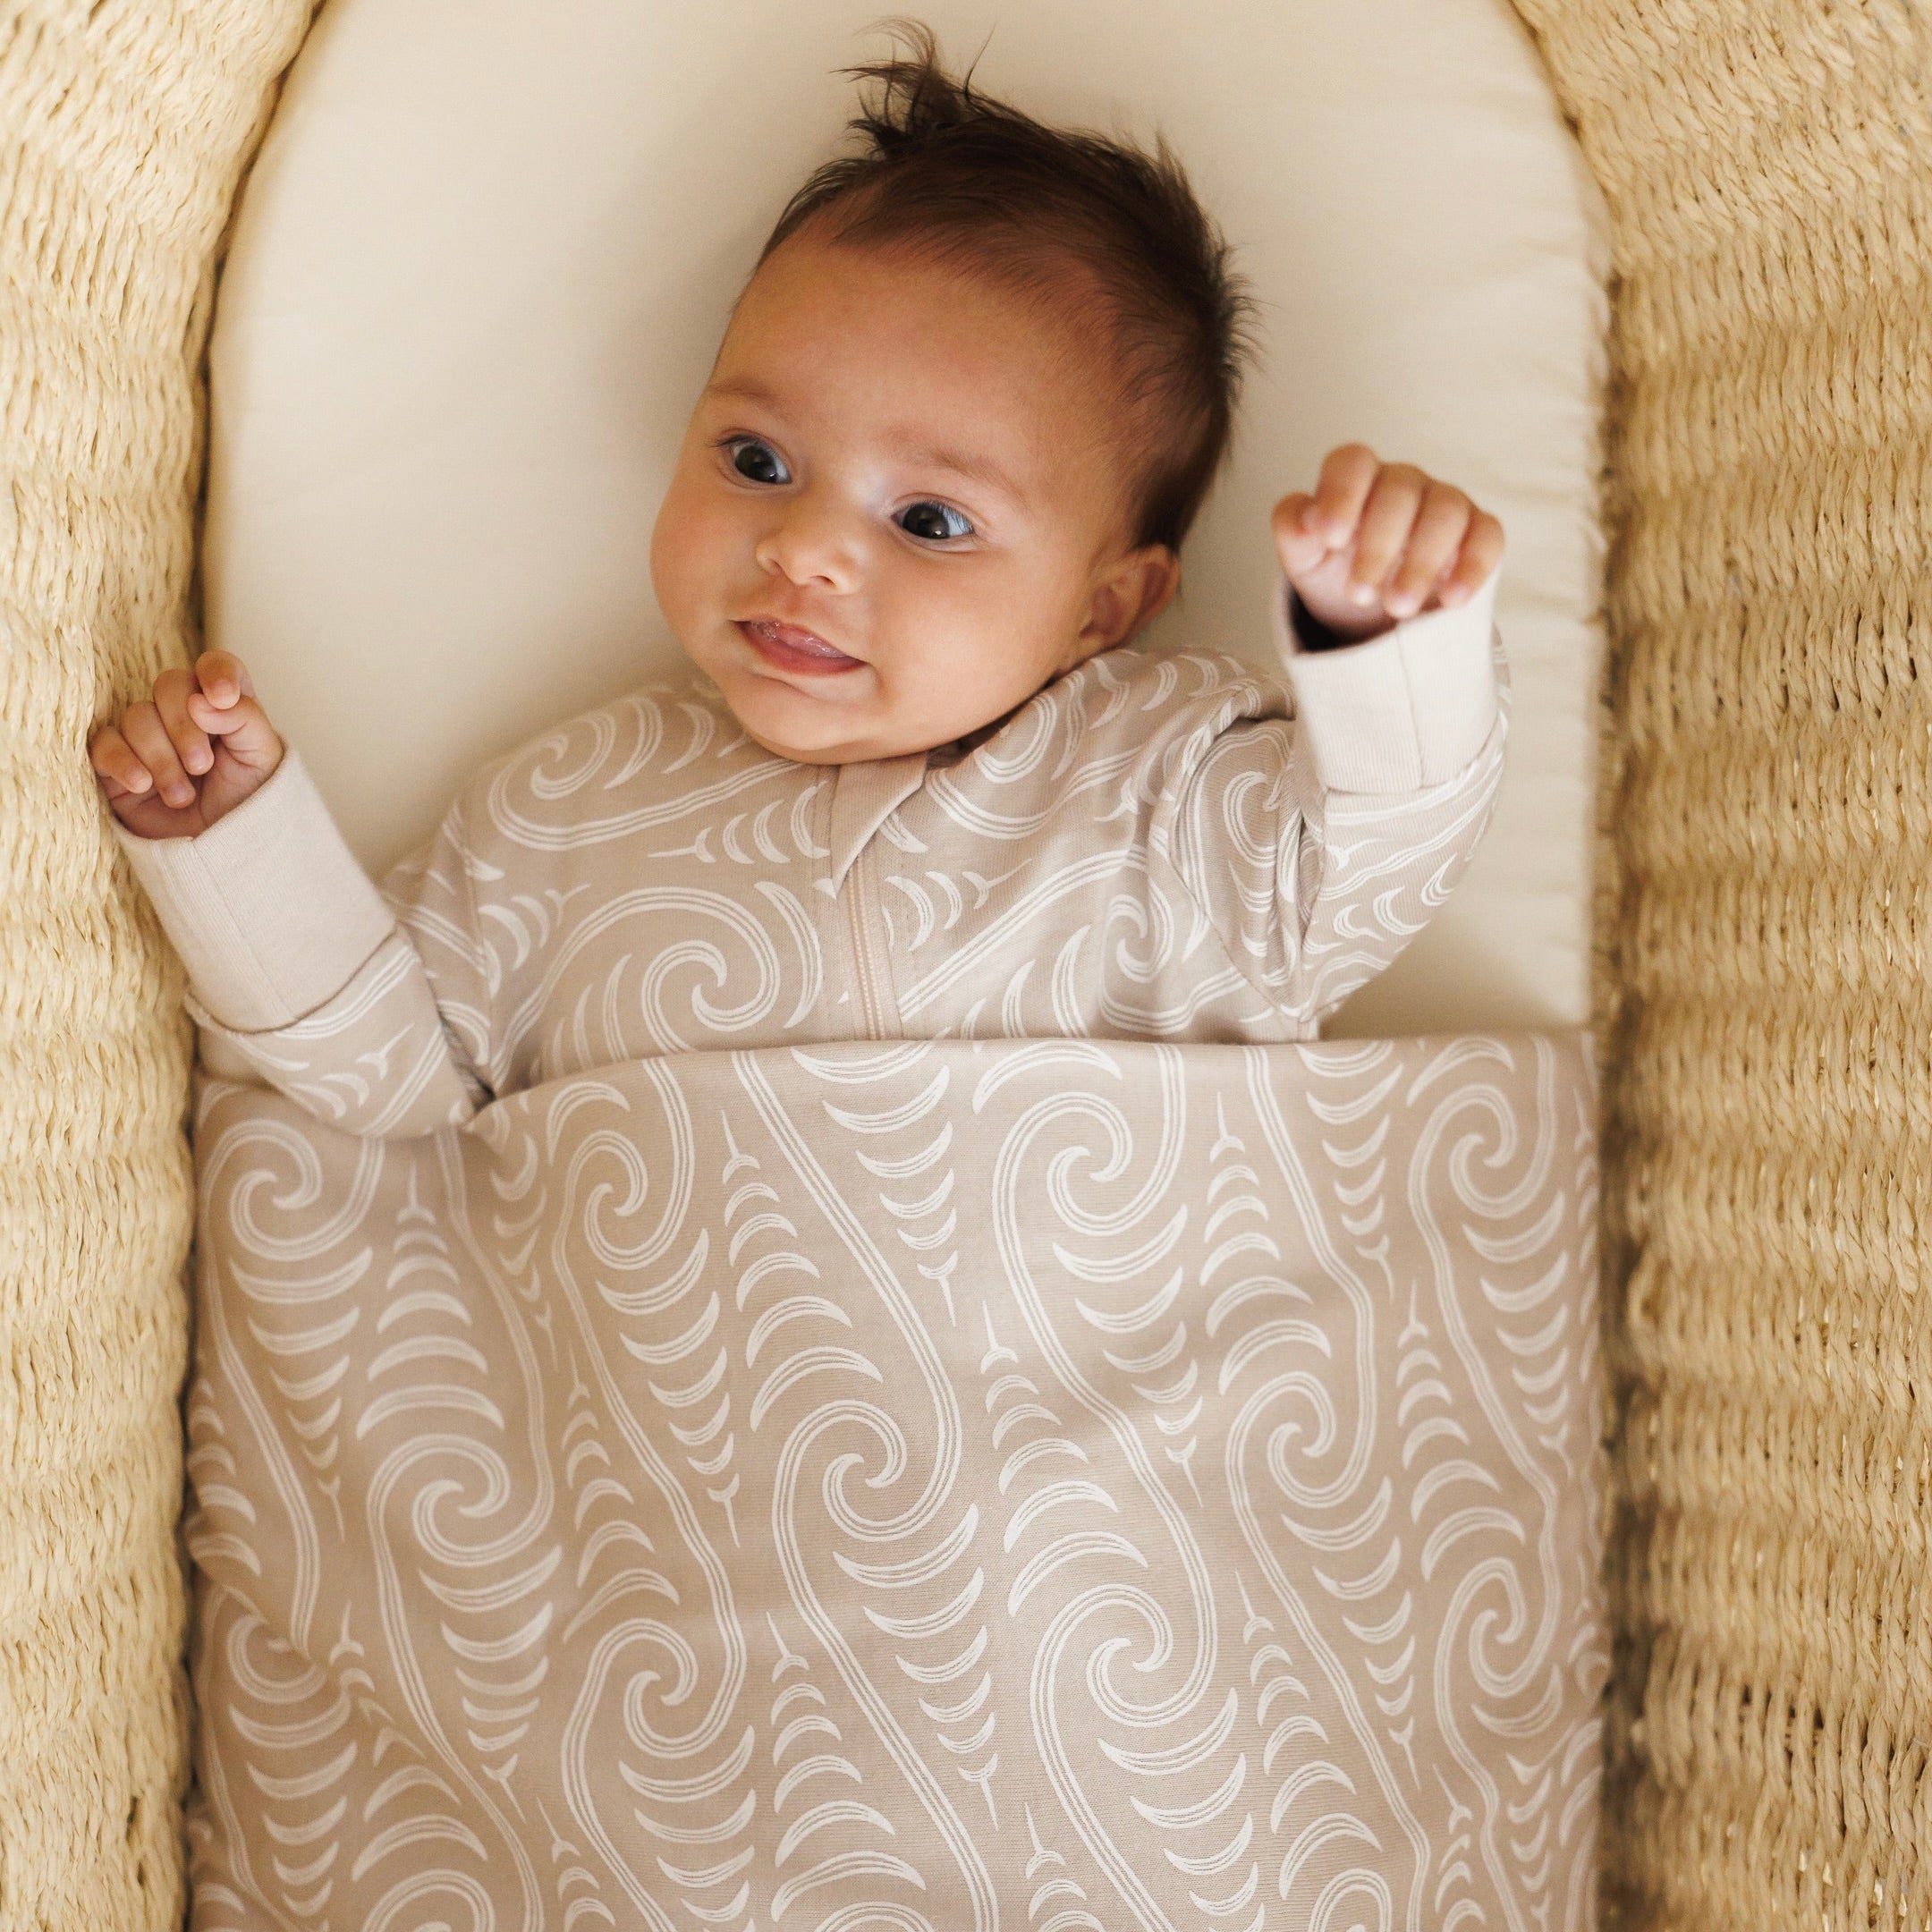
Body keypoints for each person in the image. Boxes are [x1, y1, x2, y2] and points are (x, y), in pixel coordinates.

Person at [89, 23, 1508, 1140]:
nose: (807, 548)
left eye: (932, 521)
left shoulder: (1162, 783)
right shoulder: (561, 815)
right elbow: (398, 1089)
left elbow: (1369, 867)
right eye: (758, 460)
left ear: (1104, 609)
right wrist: (237, 845)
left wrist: (1384, 644)